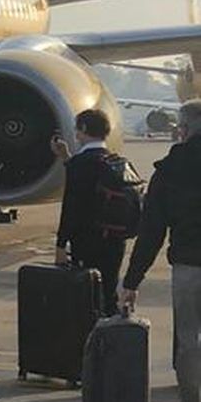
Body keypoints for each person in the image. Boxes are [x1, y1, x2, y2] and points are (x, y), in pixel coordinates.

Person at [119, 100, 201, 402]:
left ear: (182, 129)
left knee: (189, 344)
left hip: (189, 266)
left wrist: (131, 280)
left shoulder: (170, 169)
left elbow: (151, 231)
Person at [53, 107, 130, 315]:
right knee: (108, 290)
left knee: (88, 296)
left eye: (77, 130)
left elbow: (71, 208)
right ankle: (112, 333)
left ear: (84, 129)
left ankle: (92, 340)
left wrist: (61, 244)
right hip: (115, 240)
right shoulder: (115, 161)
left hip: (87, 241)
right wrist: (66, 158)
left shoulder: (80, 164)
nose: (76, 135)